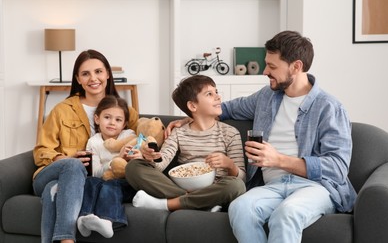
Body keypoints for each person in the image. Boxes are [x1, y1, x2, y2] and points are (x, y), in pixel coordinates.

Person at [165, 31, 357, 243]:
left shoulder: (329, 107)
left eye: (272, 67)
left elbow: (337, 168)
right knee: (240, 208)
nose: (265, 71)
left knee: (287, 213)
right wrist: (189, 118)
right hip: (271, 186)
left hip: (315, 187)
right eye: (266, 64)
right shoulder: (267, 97)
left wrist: (279, 160)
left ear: (296, 66)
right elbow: (225, 108)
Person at [33, 49, 139, 243]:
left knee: (54, 190)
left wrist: (179, 122)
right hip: (50, 172)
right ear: (78, 79)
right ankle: (67, 240)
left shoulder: (124, 109)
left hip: (81, 182)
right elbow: (41, 151)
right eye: (85, 73)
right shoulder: (62, 110)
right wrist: (65, 160)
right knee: (73, 167)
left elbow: (146, 132)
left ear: (107, 73)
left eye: (98, 71)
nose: (93, 78)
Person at [125, 75, 246, 212]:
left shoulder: (230, 133)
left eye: (216, 92)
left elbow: (242, 178)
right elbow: (160, 165)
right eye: (209, 94)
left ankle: (169, 204)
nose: (218, 97)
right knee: (133, 167)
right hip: (184, 187)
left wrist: (229, 164)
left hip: (218, 188)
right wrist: (151, 157)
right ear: (192, 106)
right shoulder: (178, 132)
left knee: (236, 186)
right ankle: (204, 202)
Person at [77, 95, 141, 238]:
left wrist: (128, 158)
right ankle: (83, 218)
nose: (112, 123)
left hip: (127, 183)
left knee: (110, 185)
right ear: (97, 119)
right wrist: (115, 161)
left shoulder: (128, 135)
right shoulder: (93, 142)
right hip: (103, 180)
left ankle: (108, 221)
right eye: (107, 117)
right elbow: (95, 173)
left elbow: (137, 164)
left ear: (124, 124)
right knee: (89, 182)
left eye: (118, 120)